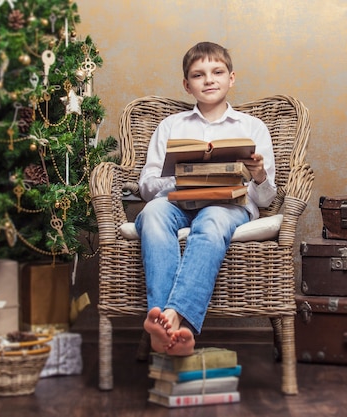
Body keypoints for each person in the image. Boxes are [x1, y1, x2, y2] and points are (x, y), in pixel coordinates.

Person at [135, 41, 277, 356]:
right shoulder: (170, 126)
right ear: (187, 85)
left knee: (211, 220)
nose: (209, 80)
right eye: (198, 75)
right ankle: (172, 323)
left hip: (229, 205)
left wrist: (258, 175)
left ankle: (169, 319)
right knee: (151, 214)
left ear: (231, 78)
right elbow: (145, 187)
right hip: (176, 201)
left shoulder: (253, 128)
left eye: (217, 72)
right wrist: (185, 174)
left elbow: (266, 200)